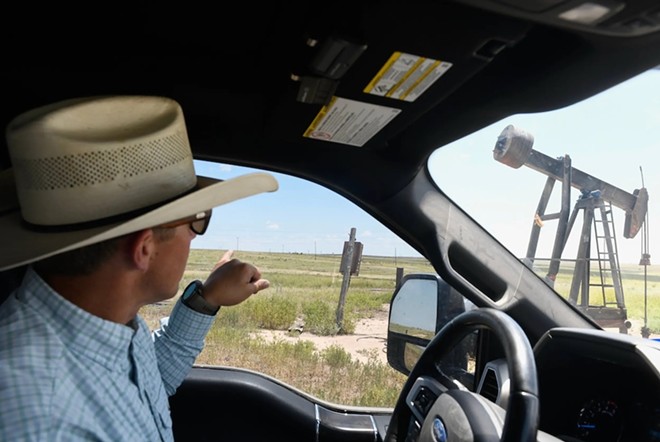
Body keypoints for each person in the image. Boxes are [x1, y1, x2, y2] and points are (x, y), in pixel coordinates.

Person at [0, 95, 279, 441]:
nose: (194, 237)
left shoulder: (106, 319)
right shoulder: (43, 419)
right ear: (144, 248)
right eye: (195, 221)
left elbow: (150, 385)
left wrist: (206, 300)